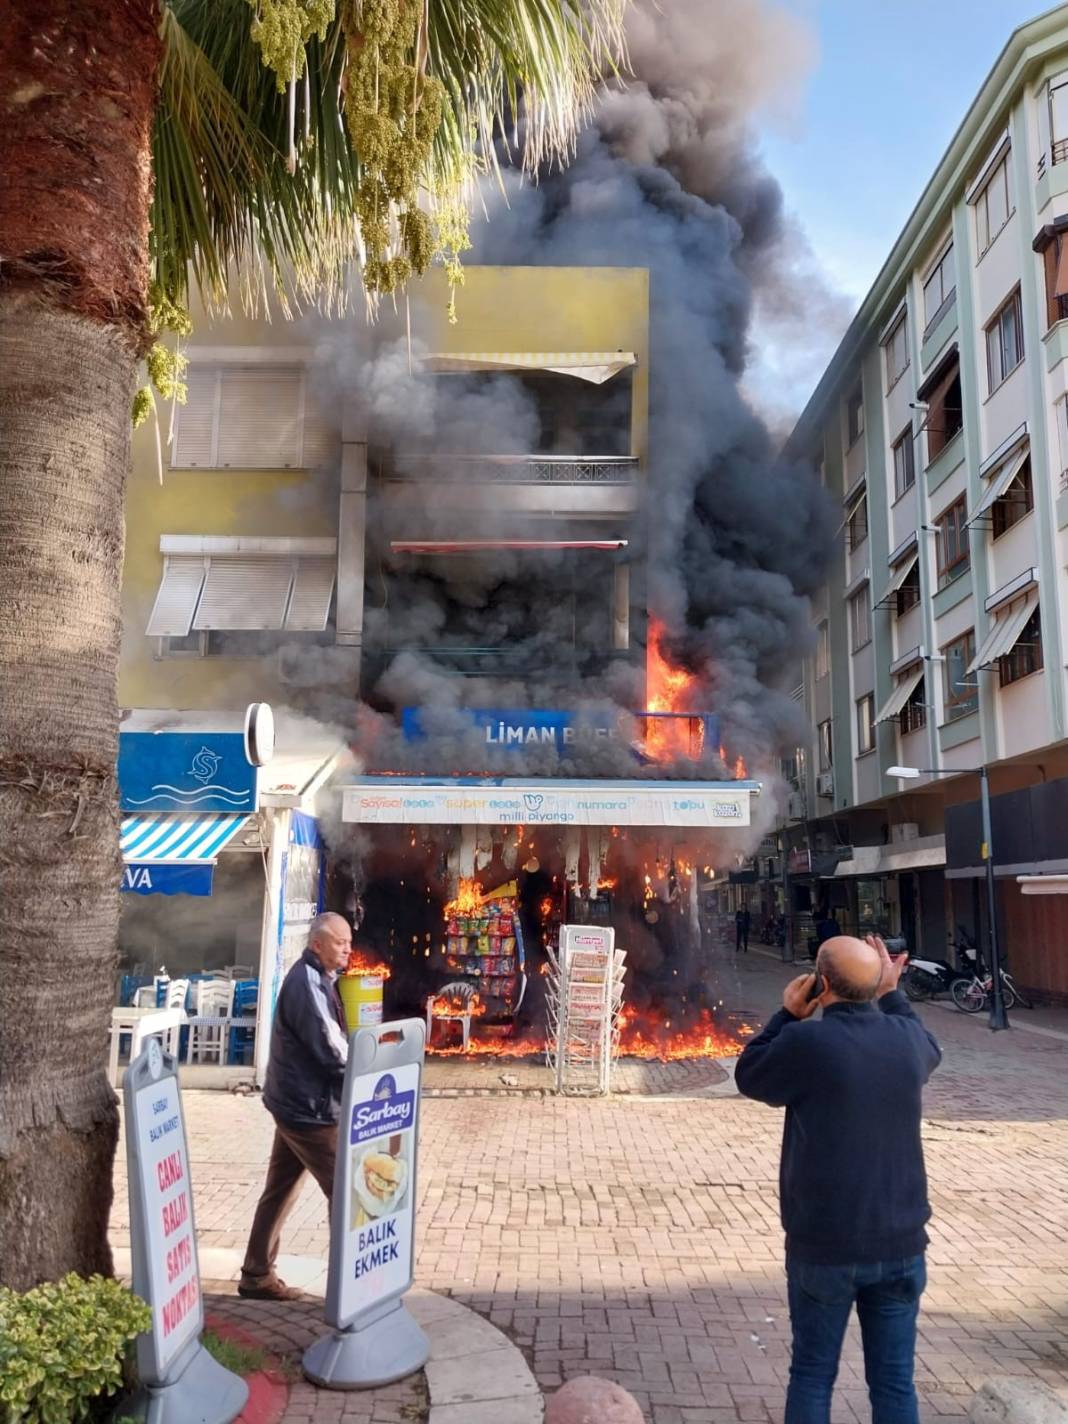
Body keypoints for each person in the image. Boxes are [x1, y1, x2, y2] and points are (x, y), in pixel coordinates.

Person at [734, 935, 942, 1424]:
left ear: (819, 984)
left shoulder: (807, 1041)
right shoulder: (908, 1040)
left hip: (824, 1245)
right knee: (894, 1384)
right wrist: (892, 992)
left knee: (811, 1374)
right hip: (901, 1243)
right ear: (876, 985)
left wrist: (787, 1014)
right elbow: (924, 1040)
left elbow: (750, 1074)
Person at [239, 911, 353, 1300]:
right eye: (341, 943)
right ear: (317, 944)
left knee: (281, 1187)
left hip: (294, 1101)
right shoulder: (306, 982)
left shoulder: (320, 977)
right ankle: (349, 1288)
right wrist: (366, 1071)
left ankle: (256, 1275)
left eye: (349, 943)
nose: (347, 950)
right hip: (308, 1110)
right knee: (346, 1189)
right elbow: (332, 1047)